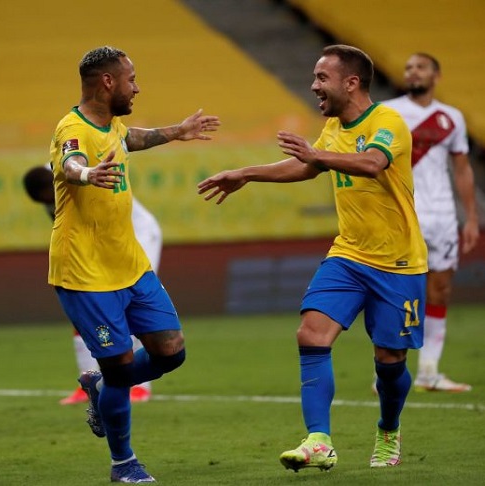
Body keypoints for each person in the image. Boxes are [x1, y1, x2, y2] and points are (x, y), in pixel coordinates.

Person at [199, 45, 427, 471]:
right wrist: (246, 173)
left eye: (322, 77)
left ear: (351, 83)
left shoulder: (387, 122)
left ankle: (389, 429)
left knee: (390, 362)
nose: (314, 85)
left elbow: (373, 163)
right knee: (310, 334)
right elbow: (308, 167)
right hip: (348, 255)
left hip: (399, 262)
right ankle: (319, 440)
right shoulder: (335, 128)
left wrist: (316, 155)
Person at [49, 45, 219, 483]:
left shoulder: (113, 127)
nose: (136, 86)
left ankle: (100, 386)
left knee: (171, 350)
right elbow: (71, 164)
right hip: (85, 272)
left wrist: (177, 131)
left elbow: (131, 138)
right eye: (131, 78)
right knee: (122, 368)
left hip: (130, 263)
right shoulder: (72, 127)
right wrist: (88, 175)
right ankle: (124, 463)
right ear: (107, 82)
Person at [23, 165, 160, 404]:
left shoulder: (79, 173)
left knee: (134, 304)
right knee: (83, 306)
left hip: (136, 235)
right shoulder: (51, 188)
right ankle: (88, 384)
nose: (49, 204)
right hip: (100, 244)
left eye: (49, 198)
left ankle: (140, 387)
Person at [383, 53, 479, 393]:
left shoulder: (451, 117)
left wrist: (470, 218)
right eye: (408, 67)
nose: (412, 72)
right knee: (397, 293)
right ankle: (389, 373)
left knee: (440, 290)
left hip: (442, 217)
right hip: (402, 215)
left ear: (436, 76)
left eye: (420, 67)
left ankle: (428, 371)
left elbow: (463, 169)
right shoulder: (387, 112)